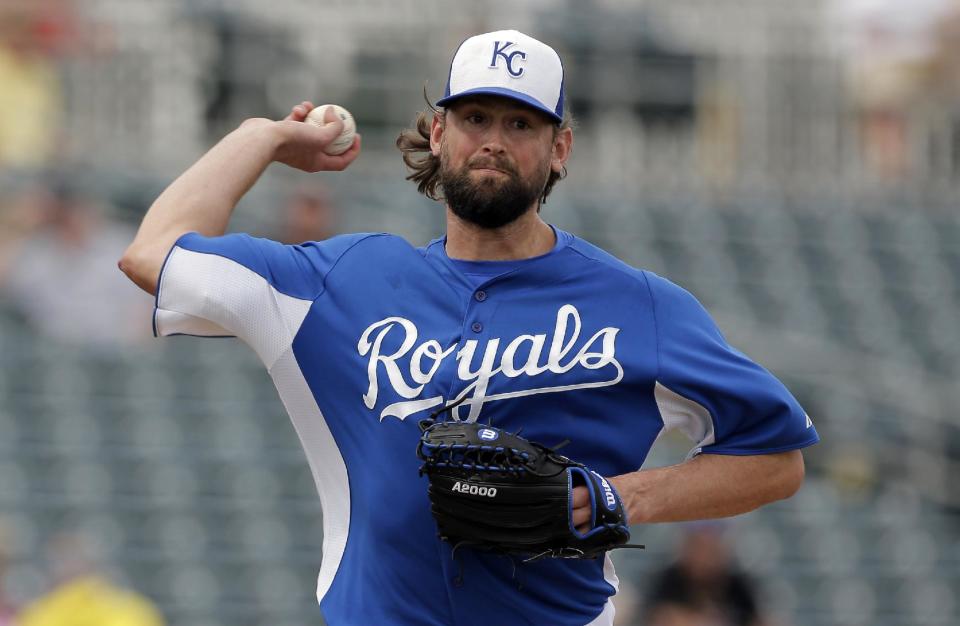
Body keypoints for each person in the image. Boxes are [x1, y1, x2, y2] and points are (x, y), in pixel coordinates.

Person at [118, 30, 819, 626]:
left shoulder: (639, 305)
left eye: (520, 124)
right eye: (475, 118)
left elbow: (777, 459)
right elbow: (152, 254)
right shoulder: (342, 283)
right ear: (438, 132)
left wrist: (618, 496)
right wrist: (261, 137)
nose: (493, 141)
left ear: (560, 148)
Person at [16, 532, 165, 626]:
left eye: (71, 559)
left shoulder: (126, 607)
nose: (65, 567)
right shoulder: (42, 610)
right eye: (60, 561)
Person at [643, 523, 772, 626]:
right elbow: (660, 617)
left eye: (711, 545)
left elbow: (759, 619)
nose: (704, 554)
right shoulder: (667, 580)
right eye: (699, 544)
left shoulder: (738, 584)